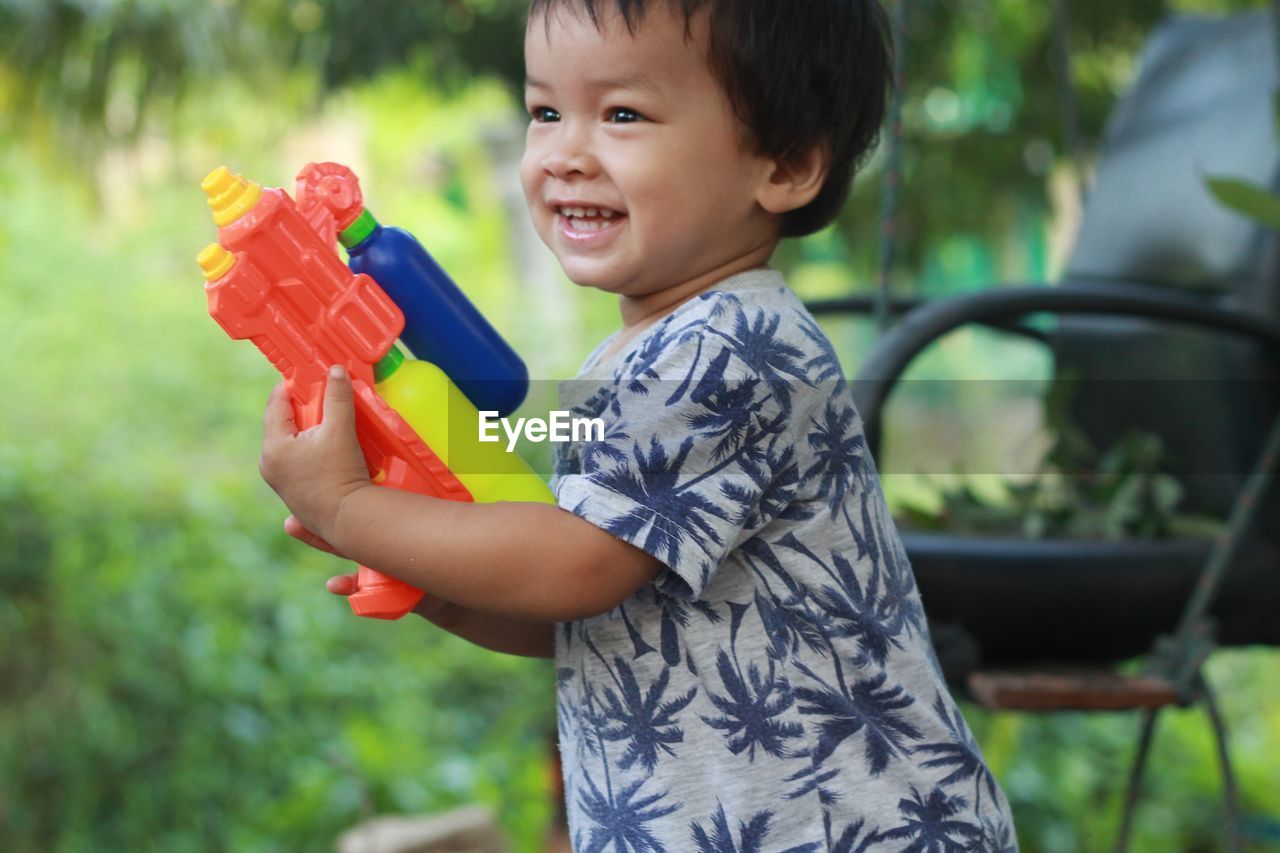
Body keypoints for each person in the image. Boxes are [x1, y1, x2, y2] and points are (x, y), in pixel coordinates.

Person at [258, 0, 1020, 848]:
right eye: (546, 111)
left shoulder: (730, 349)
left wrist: (349, 507)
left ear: (786, 163)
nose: (565, 155)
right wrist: (429, 573)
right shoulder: (632, 359)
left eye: (622, 114)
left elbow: (573, 566)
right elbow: (588, 617)